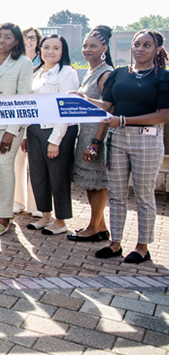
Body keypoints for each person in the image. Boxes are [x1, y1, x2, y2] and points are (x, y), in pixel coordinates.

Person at [85, 30, 169, 264]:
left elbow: (163, 115)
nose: (140, 49)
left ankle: (142, 247)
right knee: (117, 195)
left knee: (143, 196)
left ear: (157, 50)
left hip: (147, 141)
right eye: (136, 44)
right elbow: (108, 106)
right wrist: (83, 99)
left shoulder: (163, 77)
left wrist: (123, 120)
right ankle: (115, 243)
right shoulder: (119, 74)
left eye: (147, 45)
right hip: (118, 140)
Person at [23, 35, 79, 236]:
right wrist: (24, 134)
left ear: (63, 51)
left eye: (56, 48)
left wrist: (55, 140)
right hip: (35, 130)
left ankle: (61, 220)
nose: (50, 51)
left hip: (58, 131)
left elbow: (65, 109)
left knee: (58, 177)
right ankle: (45, 215)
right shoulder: (36, 72)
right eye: (46, 47)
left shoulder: (67, 73)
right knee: (38, 175)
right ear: (40, 49)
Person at [0, 23, 33, 237]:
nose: (1, 40)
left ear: (16, 41)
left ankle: (6, 217)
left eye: (7, 37)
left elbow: (23, 98)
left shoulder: (23, 63)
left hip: (9, 125)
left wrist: (12, 131)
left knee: (4, 167)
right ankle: (0, 209)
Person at [68, 26, 114, 243]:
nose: (87, 49)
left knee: (98, 184)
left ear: (104, 48)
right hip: (85, 133)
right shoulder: (90, 71)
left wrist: (96, 142)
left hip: (97, 135)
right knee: (89, 183)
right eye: (85, 45)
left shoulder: (106, 73)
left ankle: (93, 228)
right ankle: (100, 226)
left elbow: (108, 108)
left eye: (93, 46)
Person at [13, 26, 44, 215]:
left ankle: (36, 205)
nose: (29, 41)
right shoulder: (15, 62)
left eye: (33, 37)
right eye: (26, 37)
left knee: (37, 167)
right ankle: (18, 202)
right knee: (17, 164)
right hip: (17, 121)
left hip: (38, 122)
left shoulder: (45, 62)